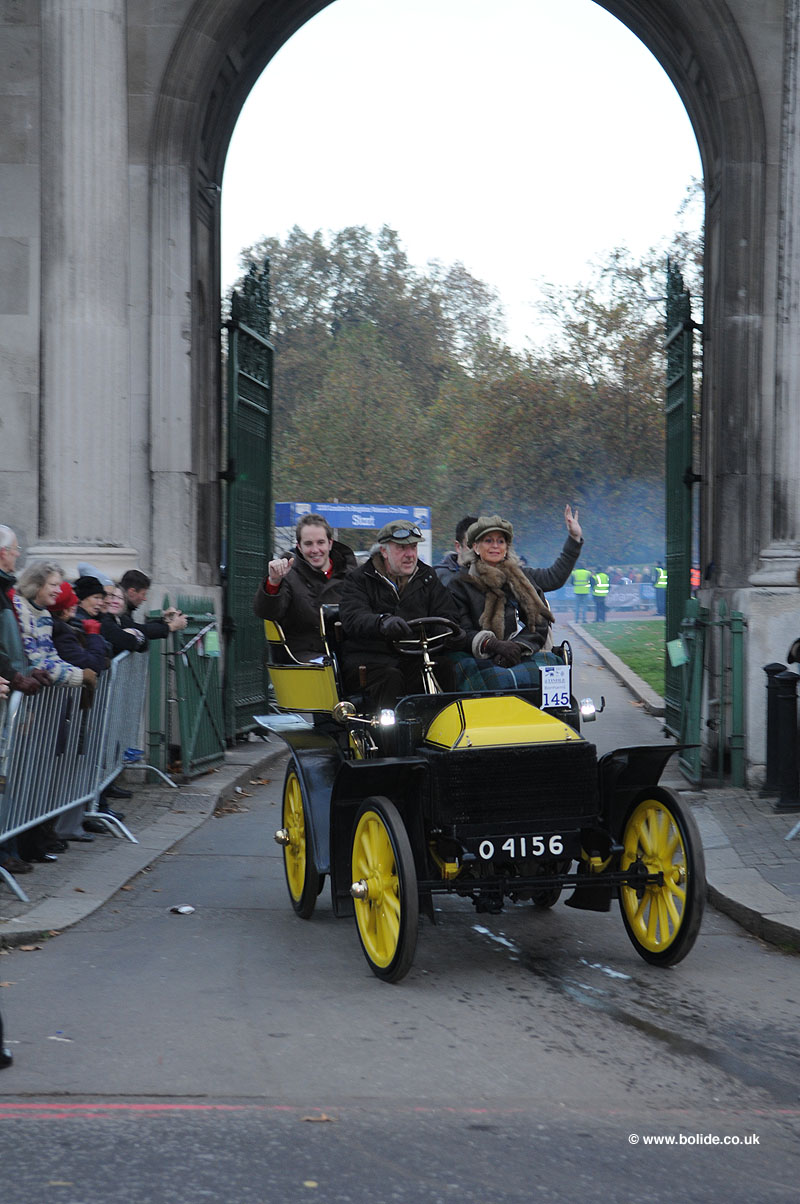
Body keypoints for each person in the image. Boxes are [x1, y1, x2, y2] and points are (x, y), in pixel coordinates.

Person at [446, 506, 584, 690]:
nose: (495, 546)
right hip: (477, 656)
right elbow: (460, 630)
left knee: (553, 669)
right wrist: (492, 645)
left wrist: (517, 647)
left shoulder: (521, 578)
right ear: (476, 547)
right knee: (493, 680)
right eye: (488, 540)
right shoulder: (460, 584)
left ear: (506, 547)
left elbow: (539, 622)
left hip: (519, 654)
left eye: (500, 541)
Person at [338, 520, 464, 709]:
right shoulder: (359, 579)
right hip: (371, 659)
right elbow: (353, 617)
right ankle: (389, 727)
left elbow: (446, 613)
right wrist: (382, 623)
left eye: (413, 547)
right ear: (384, 551)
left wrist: (449, 632)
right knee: (390, 677)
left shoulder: (427, 577)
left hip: (415, 655)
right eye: (402, 548)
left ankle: (443, 722)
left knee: (444, 667)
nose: (410, 555)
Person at [253, 513, 356, 661]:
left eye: (320, 542)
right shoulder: (288, 576)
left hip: (349, 653)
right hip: (304, 657)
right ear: (299, 547)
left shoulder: (353, 576)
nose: (315, 550)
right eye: (308, 544)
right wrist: (274, 582)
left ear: (330, 544)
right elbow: (267, 613)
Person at [118, 569, 188, 644]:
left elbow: (139, 628)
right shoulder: (118, 609)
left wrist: (164, 621)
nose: (144, 599)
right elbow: (137, 631)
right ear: (132, 592)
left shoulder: (124, 608)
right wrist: (171, 626)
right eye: (143, 594)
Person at [100, 583, 147, 656]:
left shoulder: (121, 620)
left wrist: (136, 633)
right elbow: (124, 641)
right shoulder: (103, 620)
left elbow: (145, 644)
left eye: (120, 598)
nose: (115, 601)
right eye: (112, 596)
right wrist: (136, 635)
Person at [434, 515, 478, 586]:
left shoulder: (490, 576)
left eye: (480, 545)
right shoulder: (438, 577)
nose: (476, 551)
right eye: (470, 545)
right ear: (458, 547)